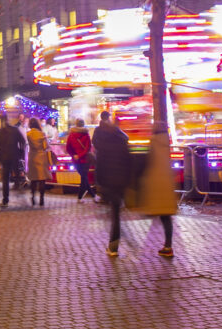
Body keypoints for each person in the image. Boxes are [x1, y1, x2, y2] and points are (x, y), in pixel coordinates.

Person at [92, 110, 131, 257]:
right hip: (122, 182)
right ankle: (116, 242)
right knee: (117, 212)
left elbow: (100, 164)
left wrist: (100, 183)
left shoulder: (103, 143)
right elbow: (129, 162)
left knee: (115, 215)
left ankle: (113, 246)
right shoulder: (122, 139)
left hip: (109, 181)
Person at [138, 122, 177, 257]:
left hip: (156, 182)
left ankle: (167, 247)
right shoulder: (167, 142)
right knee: (166, 216)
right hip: (167, 183)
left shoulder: (153, 142)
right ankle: (168, 245)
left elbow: (147, 160)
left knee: (160, 213)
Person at [0, 114, 26, 208]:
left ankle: (5, 200)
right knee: (17, 175)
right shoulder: (14, 130)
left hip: (4, 157)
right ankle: (20, 192)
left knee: (5, 179)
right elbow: (23, 141)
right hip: (14, 156)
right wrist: (20, 152)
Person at [66, 118, 95, 202]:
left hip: (76, 160)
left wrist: (74, 155)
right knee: (84, 177)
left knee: (83, 177)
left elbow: (68, 148)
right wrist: (80, 155)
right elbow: (87, 148)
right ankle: (92, 195)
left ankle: (81, 197)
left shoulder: (71, 135)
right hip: (85, 160)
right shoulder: (86, 135)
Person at [27, 117, 50, 206]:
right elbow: (46, 146)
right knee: (42, 179)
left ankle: (33, 196)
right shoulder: (42, 134)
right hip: (41, 157)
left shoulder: (28, 134)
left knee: (33, 178)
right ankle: (42, 199)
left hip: (32, 156)